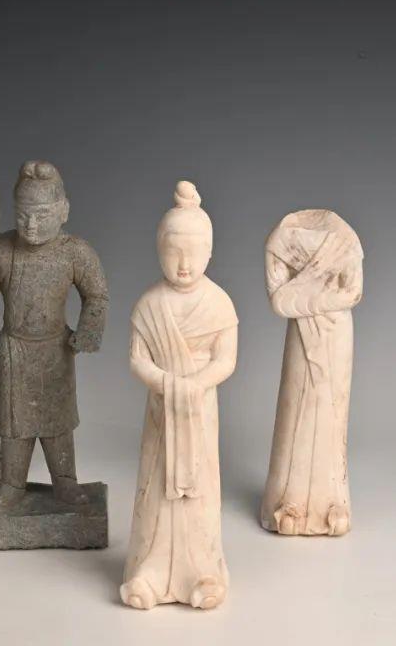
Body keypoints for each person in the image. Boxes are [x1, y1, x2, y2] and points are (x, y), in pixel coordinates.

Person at [0, 161, 108, 509]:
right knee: (13, 426)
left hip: (56, 350)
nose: (31, 224)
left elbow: (97, 295)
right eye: (23, 215)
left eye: (41, 215)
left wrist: (89, 331)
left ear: (63, 210)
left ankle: (65, 484)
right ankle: (12, 485)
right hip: (14, 352)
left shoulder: (75, 253)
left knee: (58, 423)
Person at [121, 181, 238, 610]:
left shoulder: (219, 303)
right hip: (162, 409)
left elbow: (226, 361)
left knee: (199, 492)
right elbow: (137, 360)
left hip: (199, 409)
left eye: (193, 253)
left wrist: (195, 385)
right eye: (174, 252)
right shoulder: (150, 305)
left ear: (209, 252)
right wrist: (168, 385)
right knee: (156, 491)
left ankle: (202, 572)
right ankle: (148, 573)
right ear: (159, 251)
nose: (184, 264)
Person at [260, 209, 363, 536]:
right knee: (296, 410)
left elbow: (353, 292)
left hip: (335, 333)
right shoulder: (280, 242)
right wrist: (317, 294)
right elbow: (278, 301)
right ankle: (286, 500)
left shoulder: (345, 241)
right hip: (303, 333)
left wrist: (301, 296)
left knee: (332, 413)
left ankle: (332, 500)